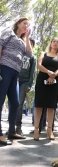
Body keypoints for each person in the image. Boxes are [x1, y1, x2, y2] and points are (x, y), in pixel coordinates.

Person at [0, 17, 32, 145]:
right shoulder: (9, 33)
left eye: (28, 25)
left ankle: (12, 131)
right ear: (18, 23)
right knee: (0, 100)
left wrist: (27, 37)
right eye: (24, 23)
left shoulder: (23, 41)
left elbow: (29, 55)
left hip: (15, 73)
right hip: (5, 68)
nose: (26, 26)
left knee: (15, 102)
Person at [33, 37, 58, 141]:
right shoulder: (44, 53)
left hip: (55, 81)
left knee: (51, 106)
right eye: (54, 41)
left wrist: (53, 75)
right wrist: (48, 72)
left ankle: (50, 130)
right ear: (51, 43)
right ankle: (36, 129)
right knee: (39, 105)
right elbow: (39, 65)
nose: (55, 43)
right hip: (42, 79)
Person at [15, 37, 37, 135]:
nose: (28, 44)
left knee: (19, 104)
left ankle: (18, 127)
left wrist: (29, 84)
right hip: (14, 80)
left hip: (24, 83)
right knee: (13, 105)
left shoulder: (33, 57)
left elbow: (32, 72)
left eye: (30, 43)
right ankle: (11, 127)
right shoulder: (18, 53)